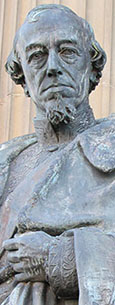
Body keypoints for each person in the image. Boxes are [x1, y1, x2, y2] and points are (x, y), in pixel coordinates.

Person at [0, 4, 115, 305]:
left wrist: (59, 258)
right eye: (37, 55)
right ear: (22, 76)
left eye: (67, 51)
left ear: (91, 68)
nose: (51, 67)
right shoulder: (5, 162)